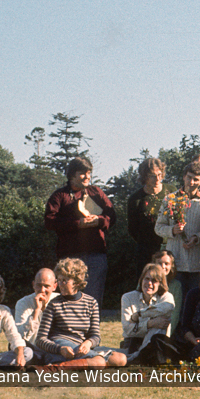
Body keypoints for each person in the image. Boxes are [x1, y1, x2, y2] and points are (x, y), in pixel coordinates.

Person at [44, 157, 116, 306]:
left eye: (89, 172)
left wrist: (99, 220)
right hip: (70, 257)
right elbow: (49, 221)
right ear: (72, 175)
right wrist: (78, 224)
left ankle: (92, 329)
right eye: (83, 173)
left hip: (96, 255)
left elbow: (112, 216)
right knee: (69, 299)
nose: (87, 176)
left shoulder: (95, 192)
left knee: (93, 300)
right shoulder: (60, 196)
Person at [36, 258, 127, 367]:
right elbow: (40, 339)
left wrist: (88, 343)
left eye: (64, 280)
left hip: (80, 348)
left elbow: (95, 336)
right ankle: (61, 367)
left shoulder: (91, 303)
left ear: (77, 282)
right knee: (99, 361)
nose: (60, 284)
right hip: (61, 347)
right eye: (59, 280)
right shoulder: (53, 304)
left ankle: (68, 365)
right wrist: (60, 349)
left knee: (120, 359)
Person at [155, 161, 200, 299]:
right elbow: (158, 227)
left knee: (194, 300)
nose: (191, 182)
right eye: (189, 177)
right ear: (184, 177)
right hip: (175, 261)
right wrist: (172, 231)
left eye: (196, 179)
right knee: (174, 300)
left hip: (197, 262)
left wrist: (197, 238)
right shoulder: (170, 199)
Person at [120, 263, 174, 361]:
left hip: (157, 343)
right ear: (141, 280)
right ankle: (137, 355)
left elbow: (169, 307)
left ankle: (137, 356)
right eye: (147, 279)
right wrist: (150, 323)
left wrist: (140, 314)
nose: (149, 283)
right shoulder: (128, 297)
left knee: (161, 324)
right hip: (133, 342)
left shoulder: (166, 297)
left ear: (160, 284)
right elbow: (128, 330)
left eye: (154, 281)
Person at [126, 157, 166, 280]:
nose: (157, 179)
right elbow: (133, 229)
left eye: (159, 175)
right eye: (153, 176)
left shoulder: (170, 192)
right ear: (144, 177)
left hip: (168, 247)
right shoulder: (135, 199)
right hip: (145, 251)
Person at [14, 268, 58, 363]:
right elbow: (19, 336)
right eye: (39, 285)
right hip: (32, 348)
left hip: (54, 347)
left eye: (47, 286)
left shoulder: (60, 301)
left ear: (54, 286)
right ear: (33, 285)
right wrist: (36, 311)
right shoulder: (23, 303)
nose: (42, 290)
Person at [152, 251, 184, 333]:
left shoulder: (176, 286)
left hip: (166, 329)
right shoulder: (146, 282)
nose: (163, 266)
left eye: (166, 264)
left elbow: (175, 314)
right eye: (159, 263)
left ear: (171, 266)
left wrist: (167, 333)